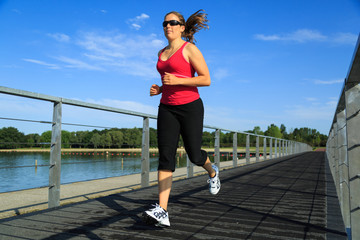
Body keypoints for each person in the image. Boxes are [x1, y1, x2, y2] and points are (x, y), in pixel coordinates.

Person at [141, 9, 220, 227]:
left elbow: (206, 80)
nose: (168, 26)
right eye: (165, 23)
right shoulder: (161, 52)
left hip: (190, 107)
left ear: (182, 27)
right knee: (165, 156)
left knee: (194, 155)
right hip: (166, 108)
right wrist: (159, 89)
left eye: (173, 23)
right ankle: (162, 210)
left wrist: (177, 82)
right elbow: (168, 80)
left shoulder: (190, 49)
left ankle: (213, 172)